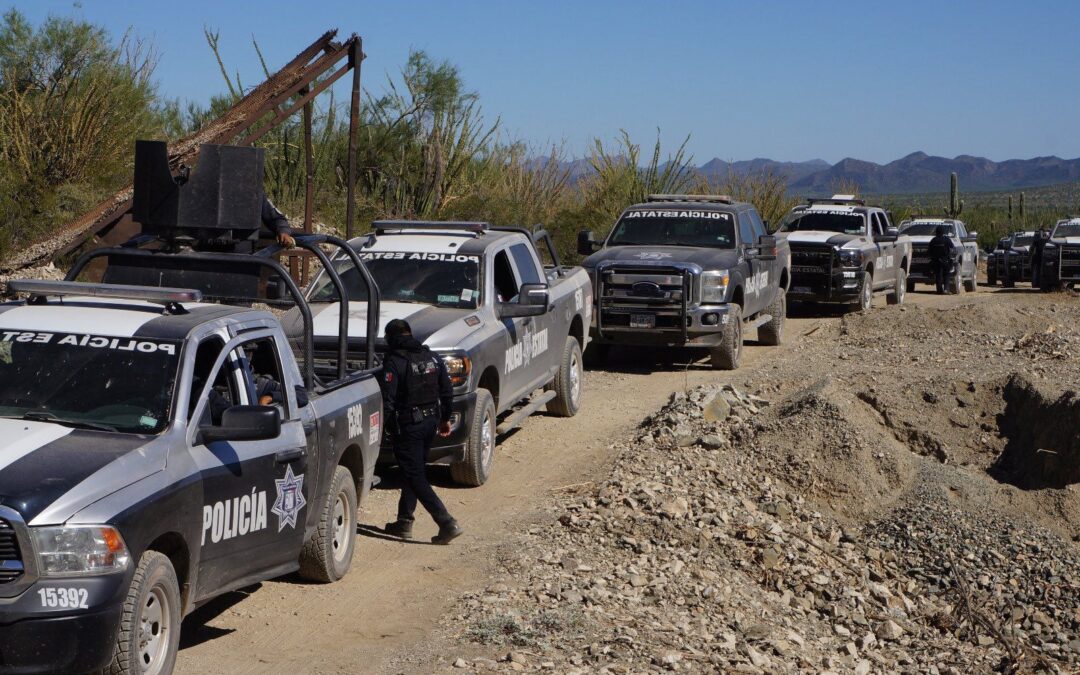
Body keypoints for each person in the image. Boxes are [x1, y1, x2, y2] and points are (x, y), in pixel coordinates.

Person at [379, 319, 463, 544]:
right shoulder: (432, 357)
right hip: (430, 422)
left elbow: (388, 399)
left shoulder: (395, 361)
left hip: (409, 426)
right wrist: (445, 419)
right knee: (413, 469)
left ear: (391, 337)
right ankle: (404, 521)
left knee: (415, 474)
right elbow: (447, 390)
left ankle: (446, 522)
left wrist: (382, 429)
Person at [927, 224, 955, 294]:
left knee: (938, 275)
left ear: (936, 232)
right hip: (945, 260)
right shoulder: (946, 239)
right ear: (943, 232)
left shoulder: (933, 240)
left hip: (936, 261)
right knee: (946, 275)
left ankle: (939, 290)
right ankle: (946, 289)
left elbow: (929, 251)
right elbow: (952, 247)